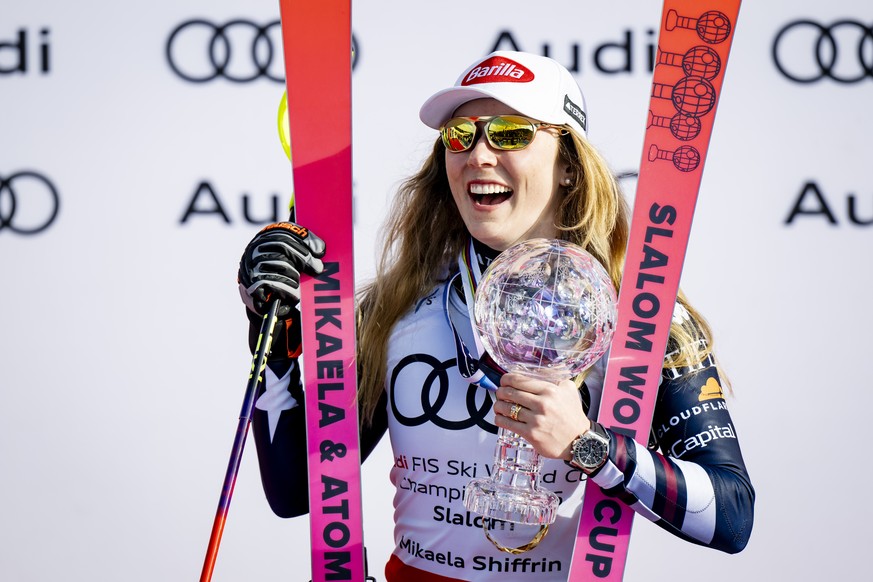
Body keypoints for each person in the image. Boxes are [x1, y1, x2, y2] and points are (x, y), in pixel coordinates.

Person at [237, 50, 754, 581]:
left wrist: (589, 446)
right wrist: (271, 333)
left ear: (570, 167)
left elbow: (732, 517)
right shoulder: (396, 306)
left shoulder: (639, 317)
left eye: (509, 133)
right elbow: (296, 489)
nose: (479, 154)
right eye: (460, 136)